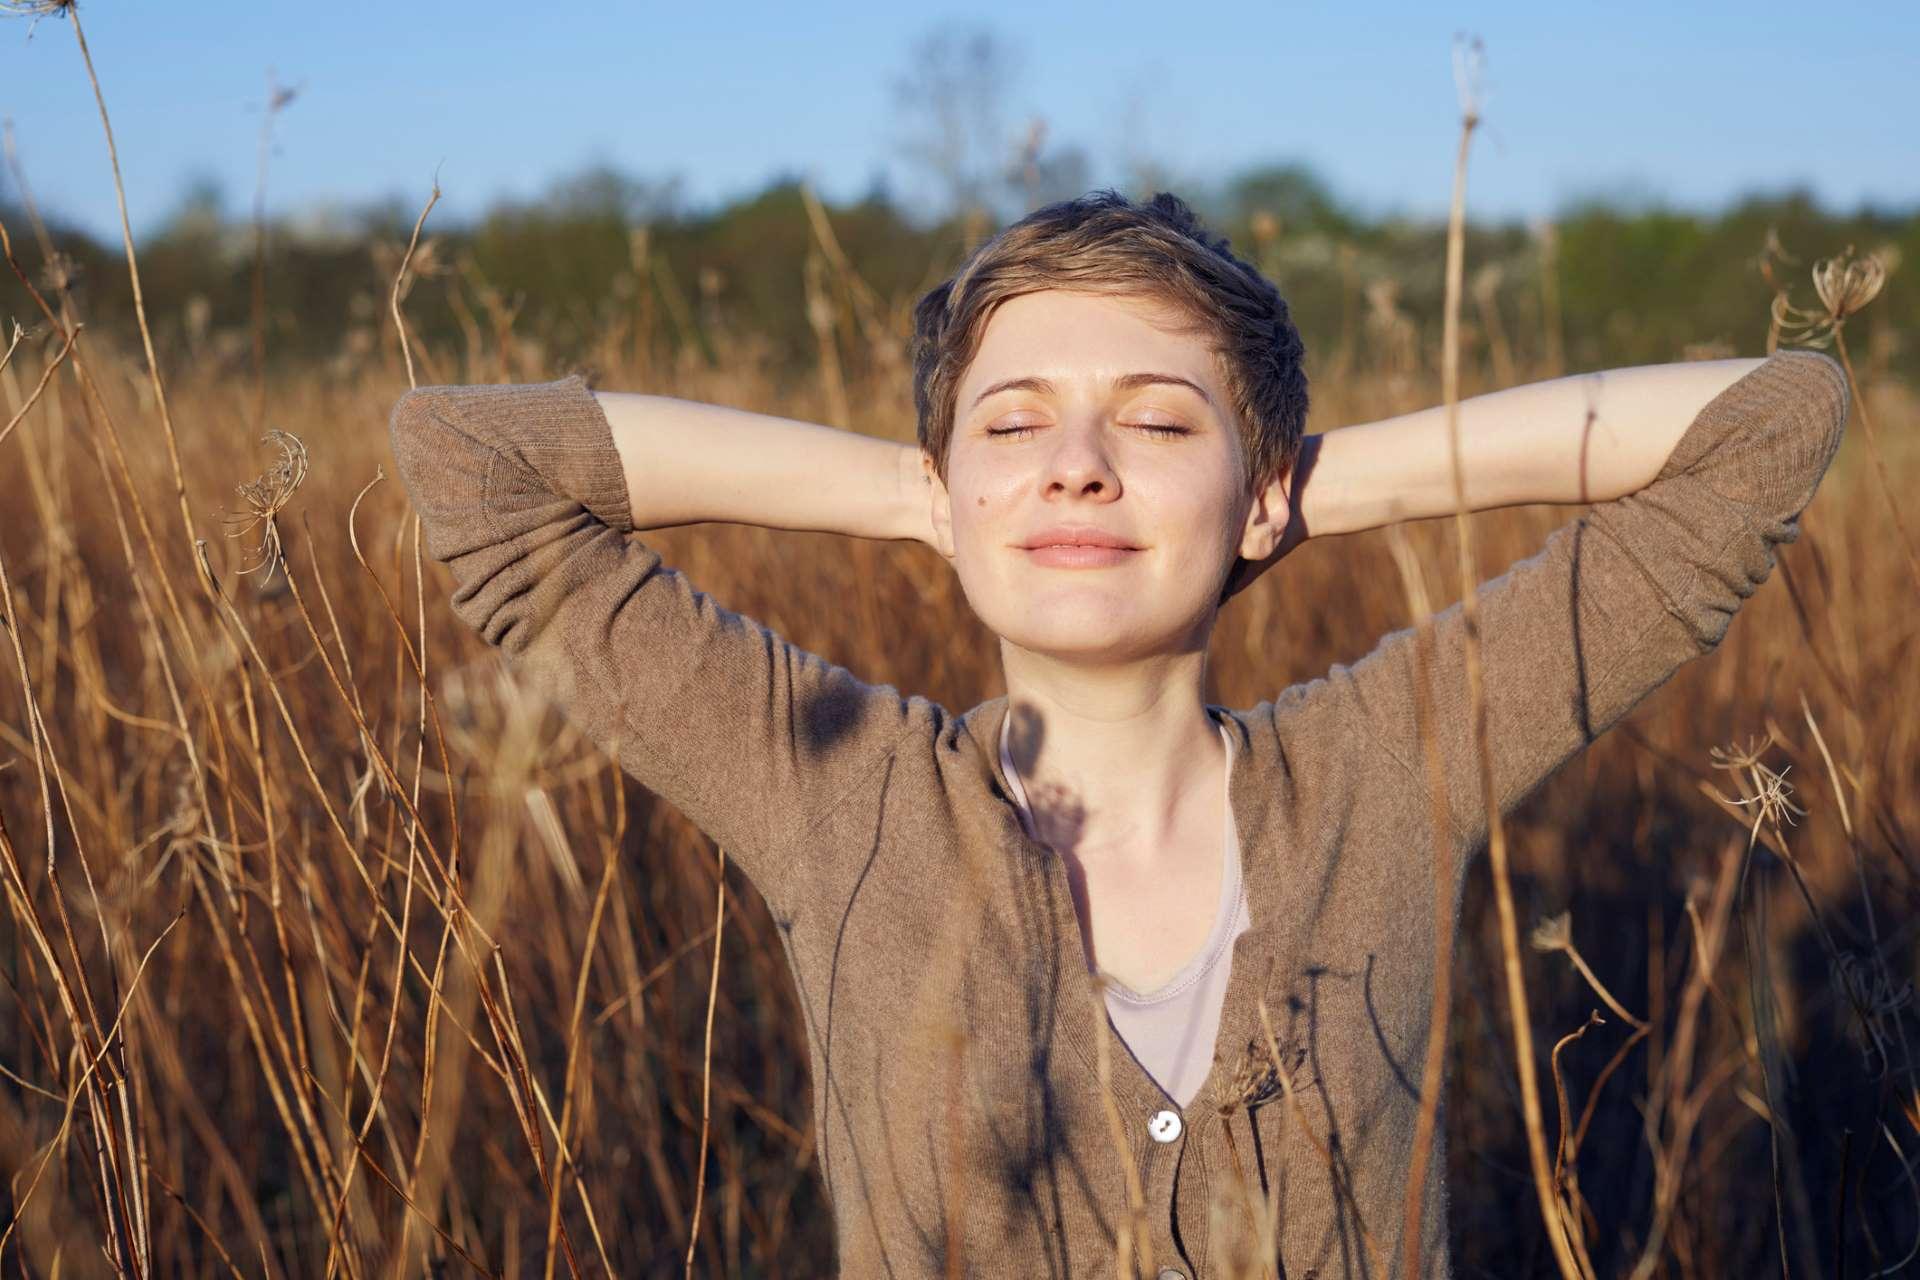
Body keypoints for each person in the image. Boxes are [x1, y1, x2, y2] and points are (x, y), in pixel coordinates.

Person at [388, 190, 1849, 1279]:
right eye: (1014, 427)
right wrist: (924, 498)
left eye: (1156, 426)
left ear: (1258, 491)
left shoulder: (1392, 766)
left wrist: (1300, 495)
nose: (1078, 469)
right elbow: (470, 460)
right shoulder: (827, 782)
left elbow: (1774, 418)